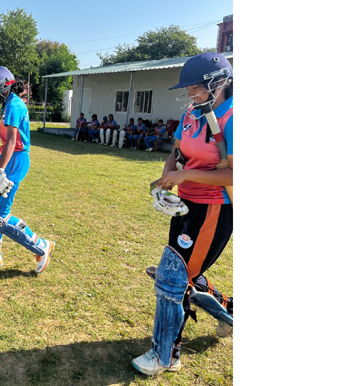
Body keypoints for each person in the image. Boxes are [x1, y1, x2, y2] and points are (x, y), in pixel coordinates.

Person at [131, 52, 234, 376]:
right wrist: (168, 179)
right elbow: (176, 152)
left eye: (194, 87)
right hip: (185, 205)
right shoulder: (193, 112)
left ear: (218, 83)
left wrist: (185, 176)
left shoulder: (234, 116)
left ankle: (166, 355)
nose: (189, 94)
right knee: (186, 272)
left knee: (173, 277)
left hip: (214, 208)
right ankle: (231, 312)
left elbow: (235, 175)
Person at [0, 66, 56, 274]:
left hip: (15, 160)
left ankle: (42, 246)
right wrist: (0, 168)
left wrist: (0, 171)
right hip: (7, 160)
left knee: (0, 216)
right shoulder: (10, 103)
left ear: (3, 86)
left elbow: (12, 141)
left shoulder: (14, 106)